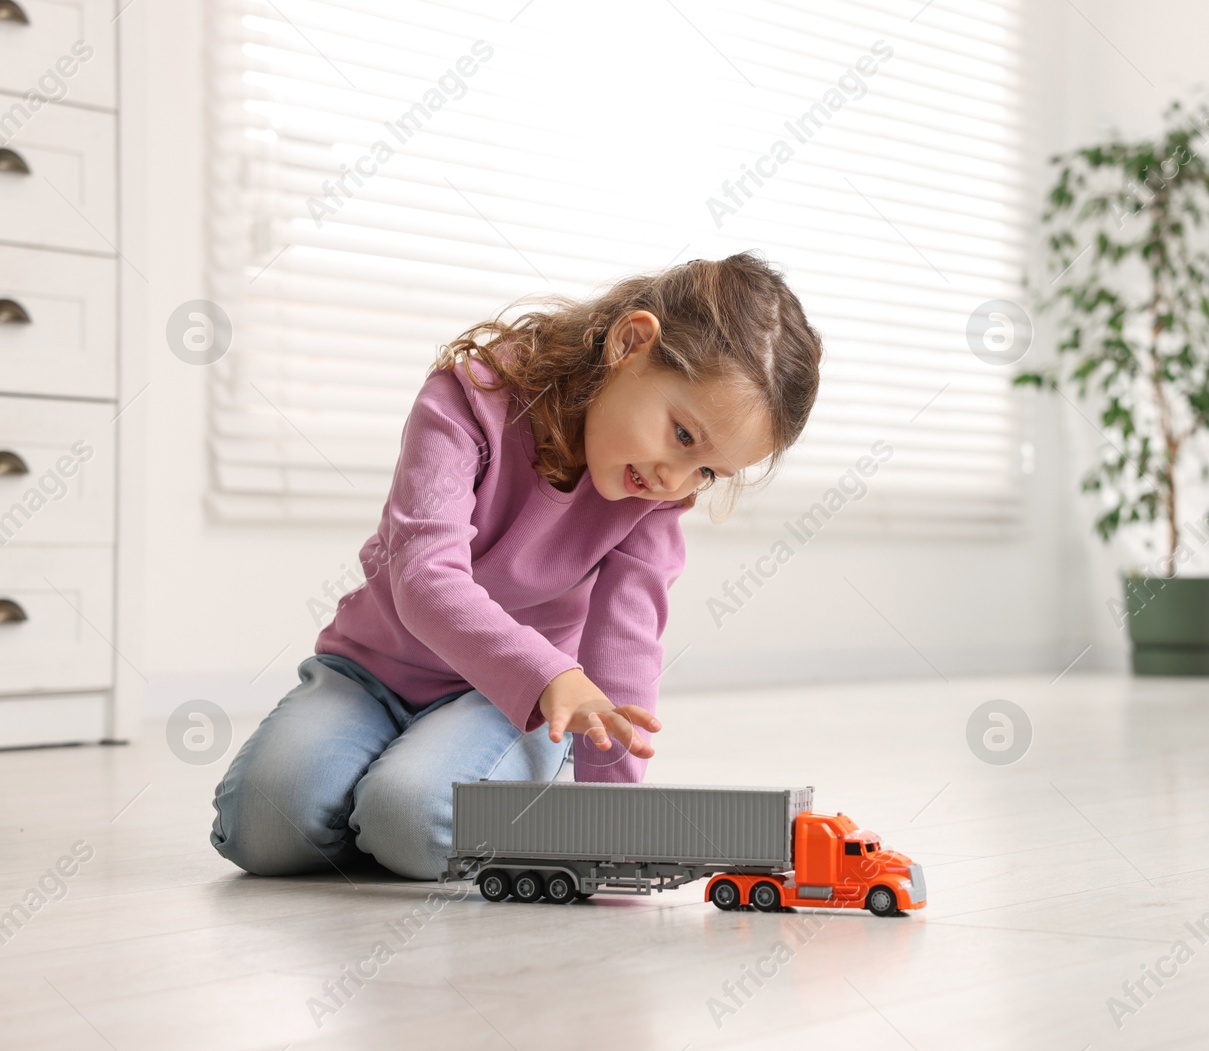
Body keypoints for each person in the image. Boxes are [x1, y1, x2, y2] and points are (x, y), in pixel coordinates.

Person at [210, 252, 824, 880]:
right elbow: (425, 579)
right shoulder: (470, 398)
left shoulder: (655, 498)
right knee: (262, 830)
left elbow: (624, 648)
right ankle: (388, 797)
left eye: (708, 470)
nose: (676, 480)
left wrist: (608, 818)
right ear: (630, 344)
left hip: (512, 704)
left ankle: (424, 796)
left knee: (411, 822)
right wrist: (550, 674)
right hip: (372, 673)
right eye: (684, 436)